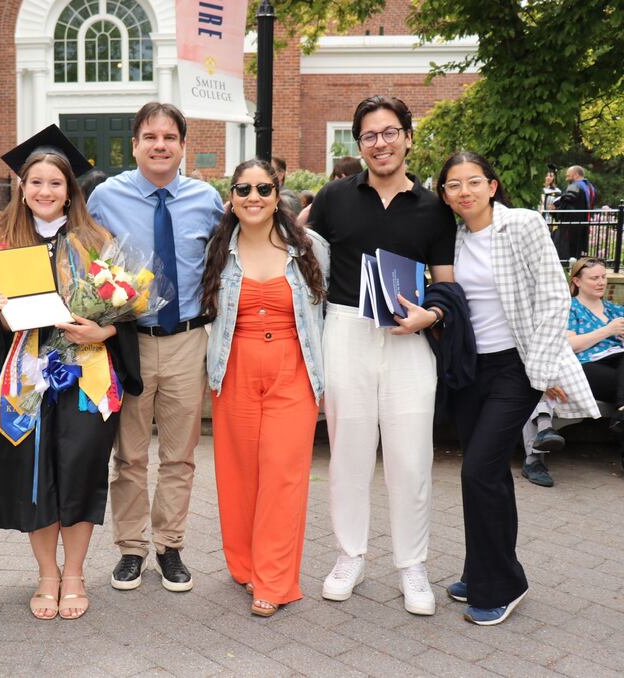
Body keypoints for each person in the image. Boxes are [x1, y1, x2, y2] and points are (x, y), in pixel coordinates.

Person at [0, 125, 142, 621]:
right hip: (28, 377)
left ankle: (73, 573)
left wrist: (104, 334)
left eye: (55, 183)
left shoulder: (97, 239)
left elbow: (125, 313)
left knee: (79, 470)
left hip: (85, 378)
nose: (45, 191)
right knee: (35, 474)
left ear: (70, 190)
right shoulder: (8, 241)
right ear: (22, 188)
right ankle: (46, 574)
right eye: (36, 182)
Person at [308, 95, 456, 616]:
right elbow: (305, 260)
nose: (381, 143)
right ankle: (351, 554)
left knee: (411, 456)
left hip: (408, 336)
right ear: (359, 144)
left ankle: (411, 564)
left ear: (408, 137)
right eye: (369, 135)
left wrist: (430, 318)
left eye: (390, 132)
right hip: (347, 329)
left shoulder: (436, 208)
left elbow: (446, 286)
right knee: (347, 451)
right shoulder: (333, 198)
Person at [436, 151, 597, 625]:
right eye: (453, 185)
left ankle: (505, 583)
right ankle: (479, 568)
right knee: (483, 472)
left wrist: (544, 372)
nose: (464, 191)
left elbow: (552, 299)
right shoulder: (454, 239)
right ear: (444, 196)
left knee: (479, 470)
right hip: (470, 369)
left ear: (492, 184)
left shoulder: (523, 225)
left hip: (516, 367)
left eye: (473, 181)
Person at [88, 102, 224, 592]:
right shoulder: (107, 197)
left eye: (169, 137)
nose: (160, 145)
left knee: (180, 454)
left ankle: (169, 546)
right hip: (129, 341)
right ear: (135, 145)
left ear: (183, 145)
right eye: (150, 136)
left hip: (188, 339)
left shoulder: (206, 199)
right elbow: (81, 255)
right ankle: (130, 549)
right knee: (128, 454)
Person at [202, 159, 329, 617]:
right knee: (238, 473)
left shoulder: (311, 248)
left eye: (262, 189)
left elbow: (327, 311)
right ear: (231, 199)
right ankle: (245, 564)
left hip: (292, 371)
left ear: (277, 195)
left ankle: (274, 580)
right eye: (243, 190)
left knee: (282, 474)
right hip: (233, 370)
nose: (253, 197)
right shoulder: (218, 249)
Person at [522, 257, 624, 486]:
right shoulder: (568, 308)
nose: (600, 282)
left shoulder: (616, 309)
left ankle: (621, 413)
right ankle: (621, 414)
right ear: (577, 280)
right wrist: (607, 331)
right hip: (586, 368)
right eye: (594, 278)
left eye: (603, 277)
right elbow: (569, 345)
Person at [552, 165, 597, 259]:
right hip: (582, 226)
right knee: (576, 255)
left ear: (576, 175)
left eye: (568, 175)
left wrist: (555, 210)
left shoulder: (575, 185)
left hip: (569, 228)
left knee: (565, 256)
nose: (566, 178)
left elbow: (567, 200)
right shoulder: (591, 187)